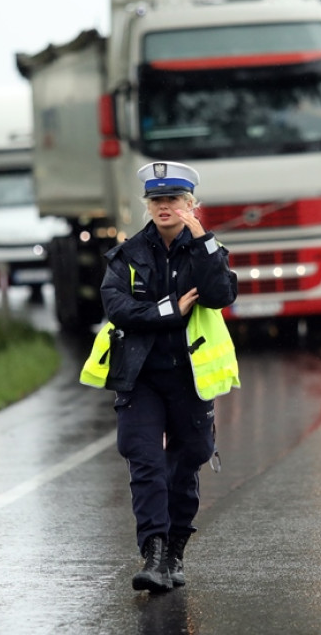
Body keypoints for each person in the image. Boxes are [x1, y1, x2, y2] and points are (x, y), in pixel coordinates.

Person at [82, 161, 240, 593]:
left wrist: (203, 240)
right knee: (145, 460)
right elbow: (118, 308)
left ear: (191, 204)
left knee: (188, 461)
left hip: (189, 378)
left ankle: (174, 552)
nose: (164, 206)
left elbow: (220, 294)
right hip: (141, 377)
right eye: (156, 200)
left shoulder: (207, 250)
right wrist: (168, 309)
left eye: (174, 199)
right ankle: (152, 554)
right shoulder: (128, 254)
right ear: (147, 206)